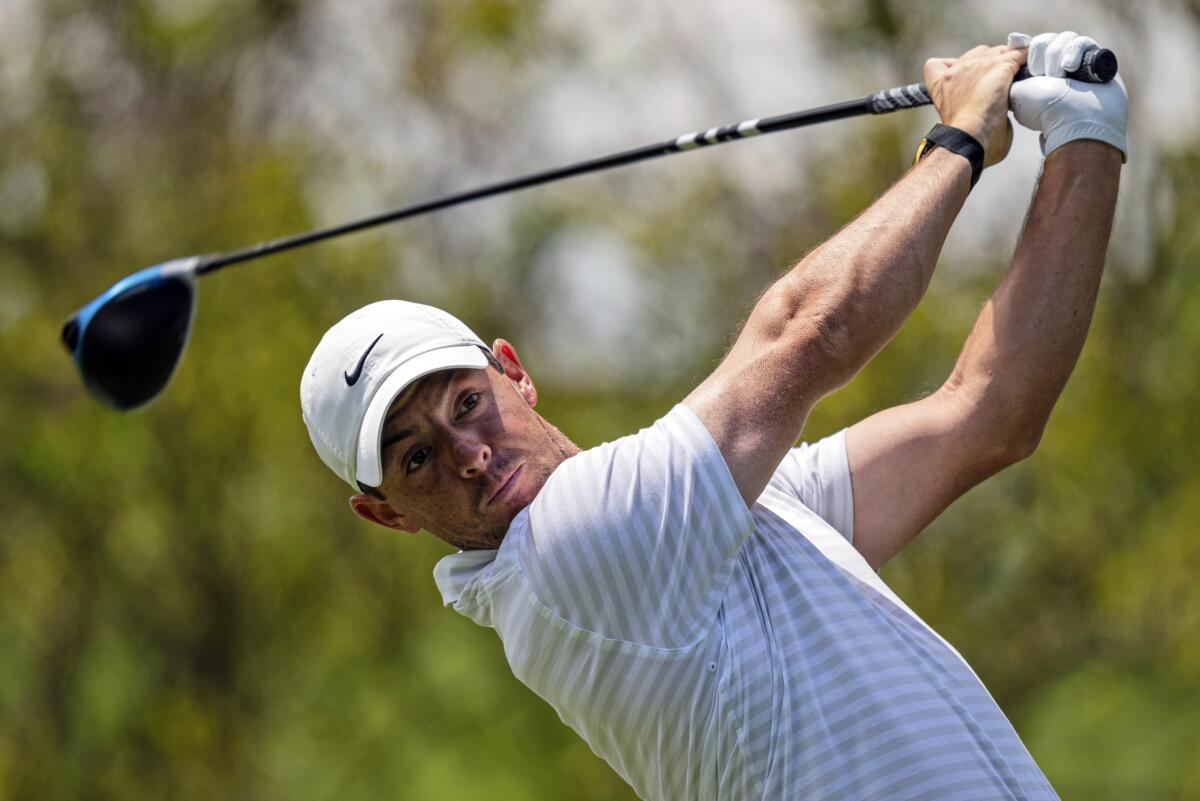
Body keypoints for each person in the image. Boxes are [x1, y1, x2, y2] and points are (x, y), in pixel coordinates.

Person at [299, 31, 1126, 801]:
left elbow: (989, 412)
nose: (468, 455)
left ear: (512, 371)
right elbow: (811, 330)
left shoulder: (716, 523)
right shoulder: (570, 549)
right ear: (385, 514)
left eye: (467, 403)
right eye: (416, 460)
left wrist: (1086, 136)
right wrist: (963, 137)